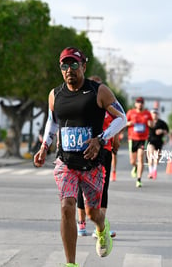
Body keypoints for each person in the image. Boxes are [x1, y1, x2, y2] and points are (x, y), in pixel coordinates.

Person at [33, 47, 127, 267]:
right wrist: (45, 146)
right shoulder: (55, 94)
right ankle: (71, 263)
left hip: (92, 164)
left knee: (94, 213)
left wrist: (101, 139)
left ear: (84, 66)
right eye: (64, 66)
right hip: (66, 162)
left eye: (74, 65)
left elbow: (121, 118)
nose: (69, 70)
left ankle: (102, 229)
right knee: (67, 206)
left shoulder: (99, 91)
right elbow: (52, 122)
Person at [76, 75, 120, 239]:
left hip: (105, 150)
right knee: (83, 187)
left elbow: (117, 122)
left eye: (101, 87)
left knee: (102, 188)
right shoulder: (84, 106)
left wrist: (115, 141)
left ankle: (99, 227)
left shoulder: (108, 106)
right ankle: (81, 223)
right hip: (85, 150)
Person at [125, 97, 152, 187]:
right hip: (132, 139)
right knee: (132, 161)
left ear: (143, 104)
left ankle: (139, 179)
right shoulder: (131, 112)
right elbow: (124, 122)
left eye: (141, 102)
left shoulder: (147, 113)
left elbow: (152, 124)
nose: (140, 104)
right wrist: (129, 123)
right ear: (135, 104)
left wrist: (150, 124)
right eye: (138, 102)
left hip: (143, 139)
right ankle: (135, 167)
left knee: (140, 158)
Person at [147, 108, 169, 179]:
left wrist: (162, 131)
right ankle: (150, 172)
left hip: (159, 142)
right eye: (153, 113)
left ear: (158, 114)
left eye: (156, 113)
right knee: (150, 156)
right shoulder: (148, 122)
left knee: (157, 158)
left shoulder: (162, 123)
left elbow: (167, 132)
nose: (154, 115)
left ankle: (154, 171)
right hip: (150, 141)